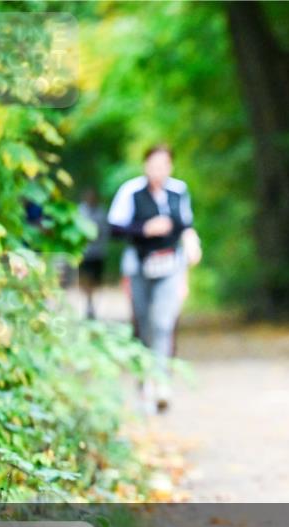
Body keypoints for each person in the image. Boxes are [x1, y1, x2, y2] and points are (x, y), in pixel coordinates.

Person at [108, 144, 202, 413]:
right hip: (139, 266)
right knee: (143, 323)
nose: (158, 170)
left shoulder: (178, 191)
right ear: (145, 166)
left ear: (170, 167)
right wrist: (144, 229)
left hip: (171, 265)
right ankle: (144, 380)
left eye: (163, 165)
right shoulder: (131, 191)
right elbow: (114, 228)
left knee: (163, 322)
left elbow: (186, 225)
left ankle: (161, 382)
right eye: (153, 164)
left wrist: (192, 243)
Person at [77, 188, 110, 319]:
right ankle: (88, 302)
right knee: (85, 278)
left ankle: (91, 302)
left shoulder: (101, 213)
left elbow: (106, 232)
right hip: (84, 253)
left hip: (97, 253)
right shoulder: (79, 211)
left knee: (96, 281)